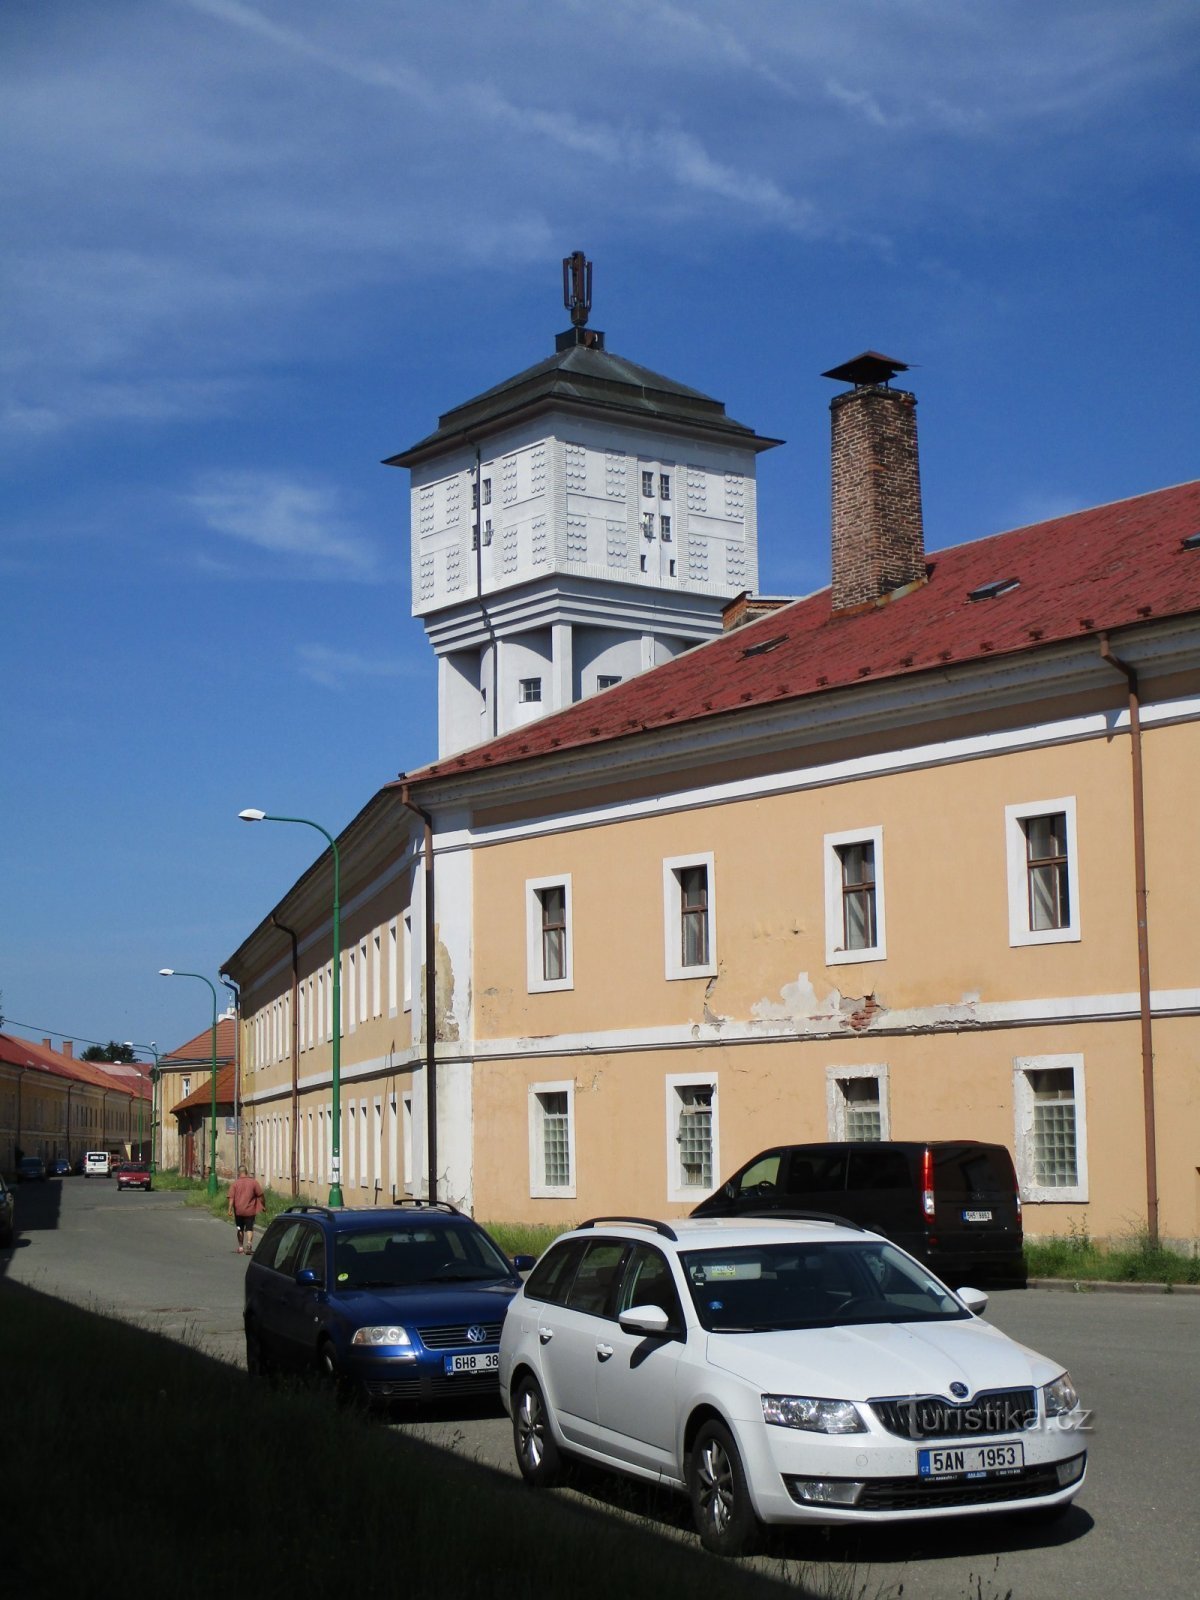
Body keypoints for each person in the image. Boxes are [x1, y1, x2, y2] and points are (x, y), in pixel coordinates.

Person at [227, 1167, 266, 1255]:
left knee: (239, 1228)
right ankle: (249, 1244)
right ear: (247, 1172)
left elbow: (231, 1199)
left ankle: (241, 1247)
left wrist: (229, 1209)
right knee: (249, 1228)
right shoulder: (253, 1182)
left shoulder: (235, 1184)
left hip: (238, 1211)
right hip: (250, 1211)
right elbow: (261, 1195)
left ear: (238, 1173)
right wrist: (263, 1206)